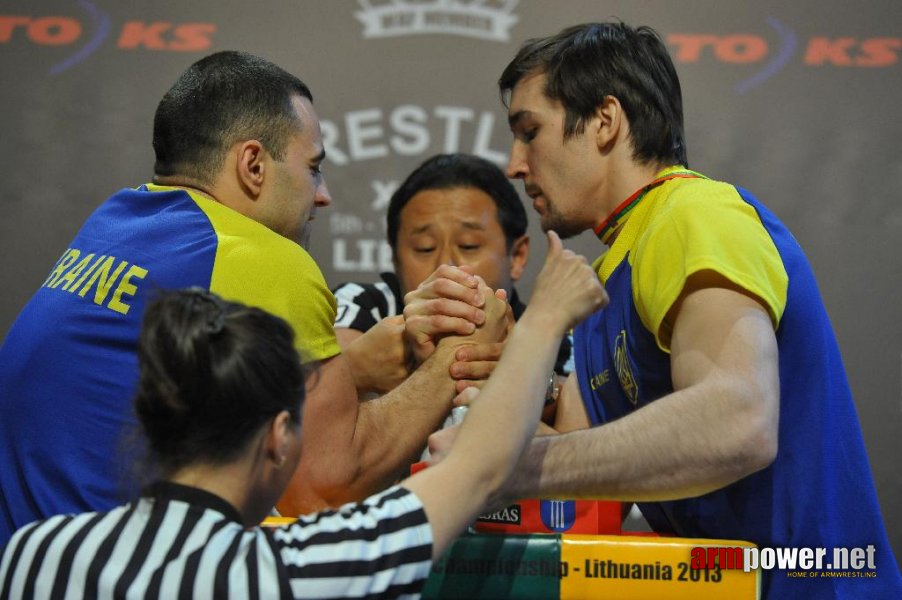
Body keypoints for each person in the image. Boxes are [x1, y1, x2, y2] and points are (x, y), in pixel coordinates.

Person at [427, 22, 902, 598]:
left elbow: (738, 422)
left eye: (530, 132)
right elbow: (589, 447)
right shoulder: (611, 270)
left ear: (605, 121)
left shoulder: (692, 214)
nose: (515, 163)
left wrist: (502, 466)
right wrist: (507, 370)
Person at [0, 50, 509, 545]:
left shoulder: (114, 222)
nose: (324, 195)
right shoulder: (256, 256)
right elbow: (324, 488)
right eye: (313, 168)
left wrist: (354, 367)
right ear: (253, 165)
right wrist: (452, 359)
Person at [0, 235, 606, 598]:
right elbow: (477, 467)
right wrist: (544, 316)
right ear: (279, 436)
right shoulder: (302, 569)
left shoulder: (33, 552)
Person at [333, 153, 571, 406]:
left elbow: (582, 423)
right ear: (394, 257)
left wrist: (526, 380)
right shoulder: (363, 305)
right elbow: (317, 396)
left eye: (469, 245)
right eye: (424, 248)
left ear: (517, 256)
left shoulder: (554, 339)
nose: (445, 266)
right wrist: (358, 371)